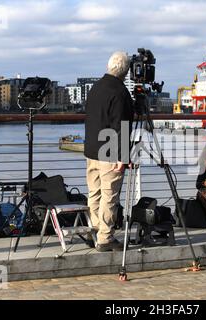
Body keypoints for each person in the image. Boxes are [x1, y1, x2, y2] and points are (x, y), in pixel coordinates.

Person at [84, 51, 133, 252]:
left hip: (91, 149)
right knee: (109, 195)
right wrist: (123, 156)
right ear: (127, 71)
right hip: (110, 150)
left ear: (108, 66)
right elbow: (121, 125)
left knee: (94, 193)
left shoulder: (95, 87)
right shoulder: (120, 92)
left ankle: (96, 228)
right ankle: (105, 238)